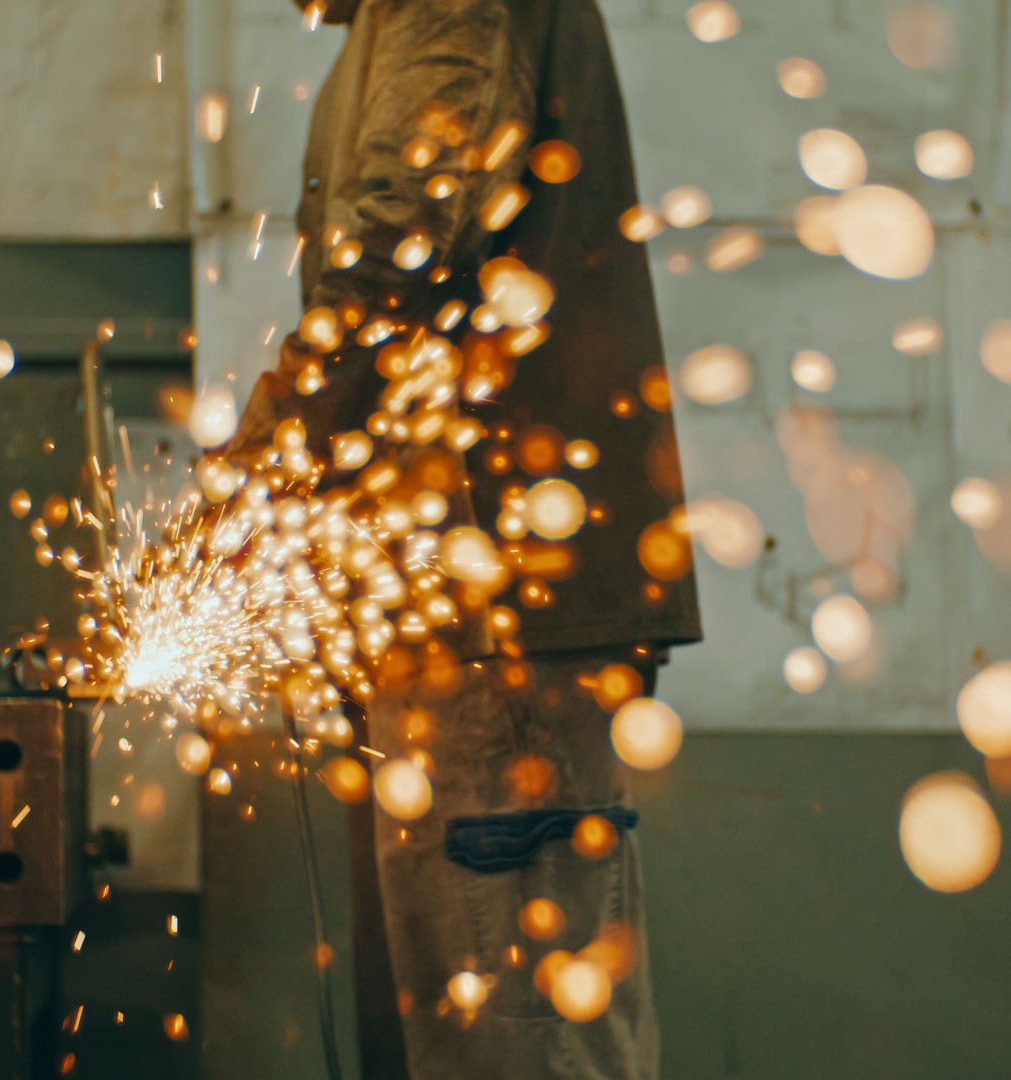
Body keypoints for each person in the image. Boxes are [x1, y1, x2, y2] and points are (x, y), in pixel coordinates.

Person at [237, 0, 701, 1075]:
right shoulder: (385, 28)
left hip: (495, 628)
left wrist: (266, 459)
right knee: (453, 1039)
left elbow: (411, 226)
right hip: (450, 621)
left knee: (515, 1044)